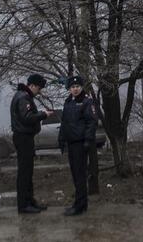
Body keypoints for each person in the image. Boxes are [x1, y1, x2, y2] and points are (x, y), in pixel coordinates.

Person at [10, 73, 54, 213]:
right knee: (25, 172)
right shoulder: (24, 98)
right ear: (32, 85)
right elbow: (27, 118)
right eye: (39, 88)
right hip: (23, 138)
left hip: (25, 137)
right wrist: (43, 115)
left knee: (28, 172)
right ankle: (24, 205)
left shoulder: (23, 96)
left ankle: (30, 201)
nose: (39, 91)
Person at [58, 75, 97, 216]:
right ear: (69, 89)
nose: (75, 89)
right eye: (72, 87)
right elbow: (64, 123)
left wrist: (88, 140)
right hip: (71, 143)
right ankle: (81, 203)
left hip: (81, 143)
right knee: (75, 174)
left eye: (77, 87)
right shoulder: (68, 102)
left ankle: (79, 205)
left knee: (80, 175)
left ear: (81, 88)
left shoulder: (87, 102)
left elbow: (91, 123)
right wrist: (61, 140)